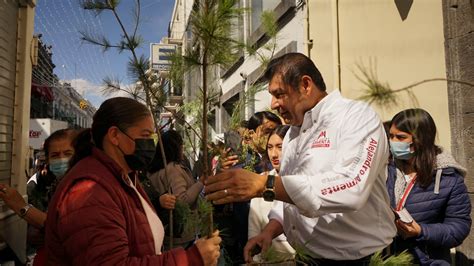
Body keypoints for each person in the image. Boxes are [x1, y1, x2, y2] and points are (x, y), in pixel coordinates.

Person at [205, 52, 396, 264]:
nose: (273, 104)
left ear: (305, 85)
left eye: (279, 94)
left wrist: (265, 184)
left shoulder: (356, 117)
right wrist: (270, 230)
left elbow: (352, 187)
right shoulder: (293, 135)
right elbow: (291, 196)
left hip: (361, 259)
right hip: (307, 258)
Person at [44, 97, 220, 265]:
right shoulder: (89, 190)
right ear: (114, 135)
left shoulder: (124, 178)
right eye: (145, 135)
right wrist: (191, 259)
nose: (150, 143)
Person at [386, 108, 471, 265]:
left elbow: (459, 227)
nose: (393, 142)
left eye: (400, 137)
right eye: (391, 136)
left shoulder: (448, 178)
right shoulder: (385, 169)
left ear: (420, 139)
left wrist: (421, 231)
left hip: (428, 261)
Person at [0, 128, 77, 266]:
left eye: (67, 153)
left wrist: (21, 206)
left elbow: (61, 227)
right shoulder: (57, 185)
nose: (61, 159)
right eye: (55, 155)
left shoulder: (83, 188)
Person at [148, 129, 204, 249]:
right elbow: (181, 200)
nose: (183, 148)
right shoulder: (172, 169)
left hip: (167, 230)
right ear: (175, 148)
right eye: (181, 145)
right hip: (180, 234)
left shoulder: (155, 169)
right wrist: (200, 183)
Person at [248, 125, 294, 262]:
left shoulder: (306, 182)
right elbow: (254, 228)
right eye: (270, 147)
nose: (274, 154)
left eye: (280, 147)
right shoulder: (260, 182)